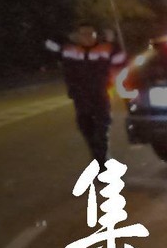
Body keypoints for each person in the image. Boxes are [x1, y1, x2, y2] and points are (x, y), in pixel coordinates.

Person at [46, 23, 126, 166]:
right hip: (80, 97)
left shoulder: (105, 48)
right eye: (83, 34)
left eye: (91, 34)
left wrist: (113, 41)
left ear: (96, 35)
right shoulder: (69, 50)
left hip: (100, 96)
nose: (87, 37)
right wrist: (64, 35)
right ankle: (99, 157)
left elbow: (121, 61)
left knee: (102, 130)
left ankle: (101, 161)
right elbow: (49, 44)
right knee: (87, 129)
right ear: (77, 36)